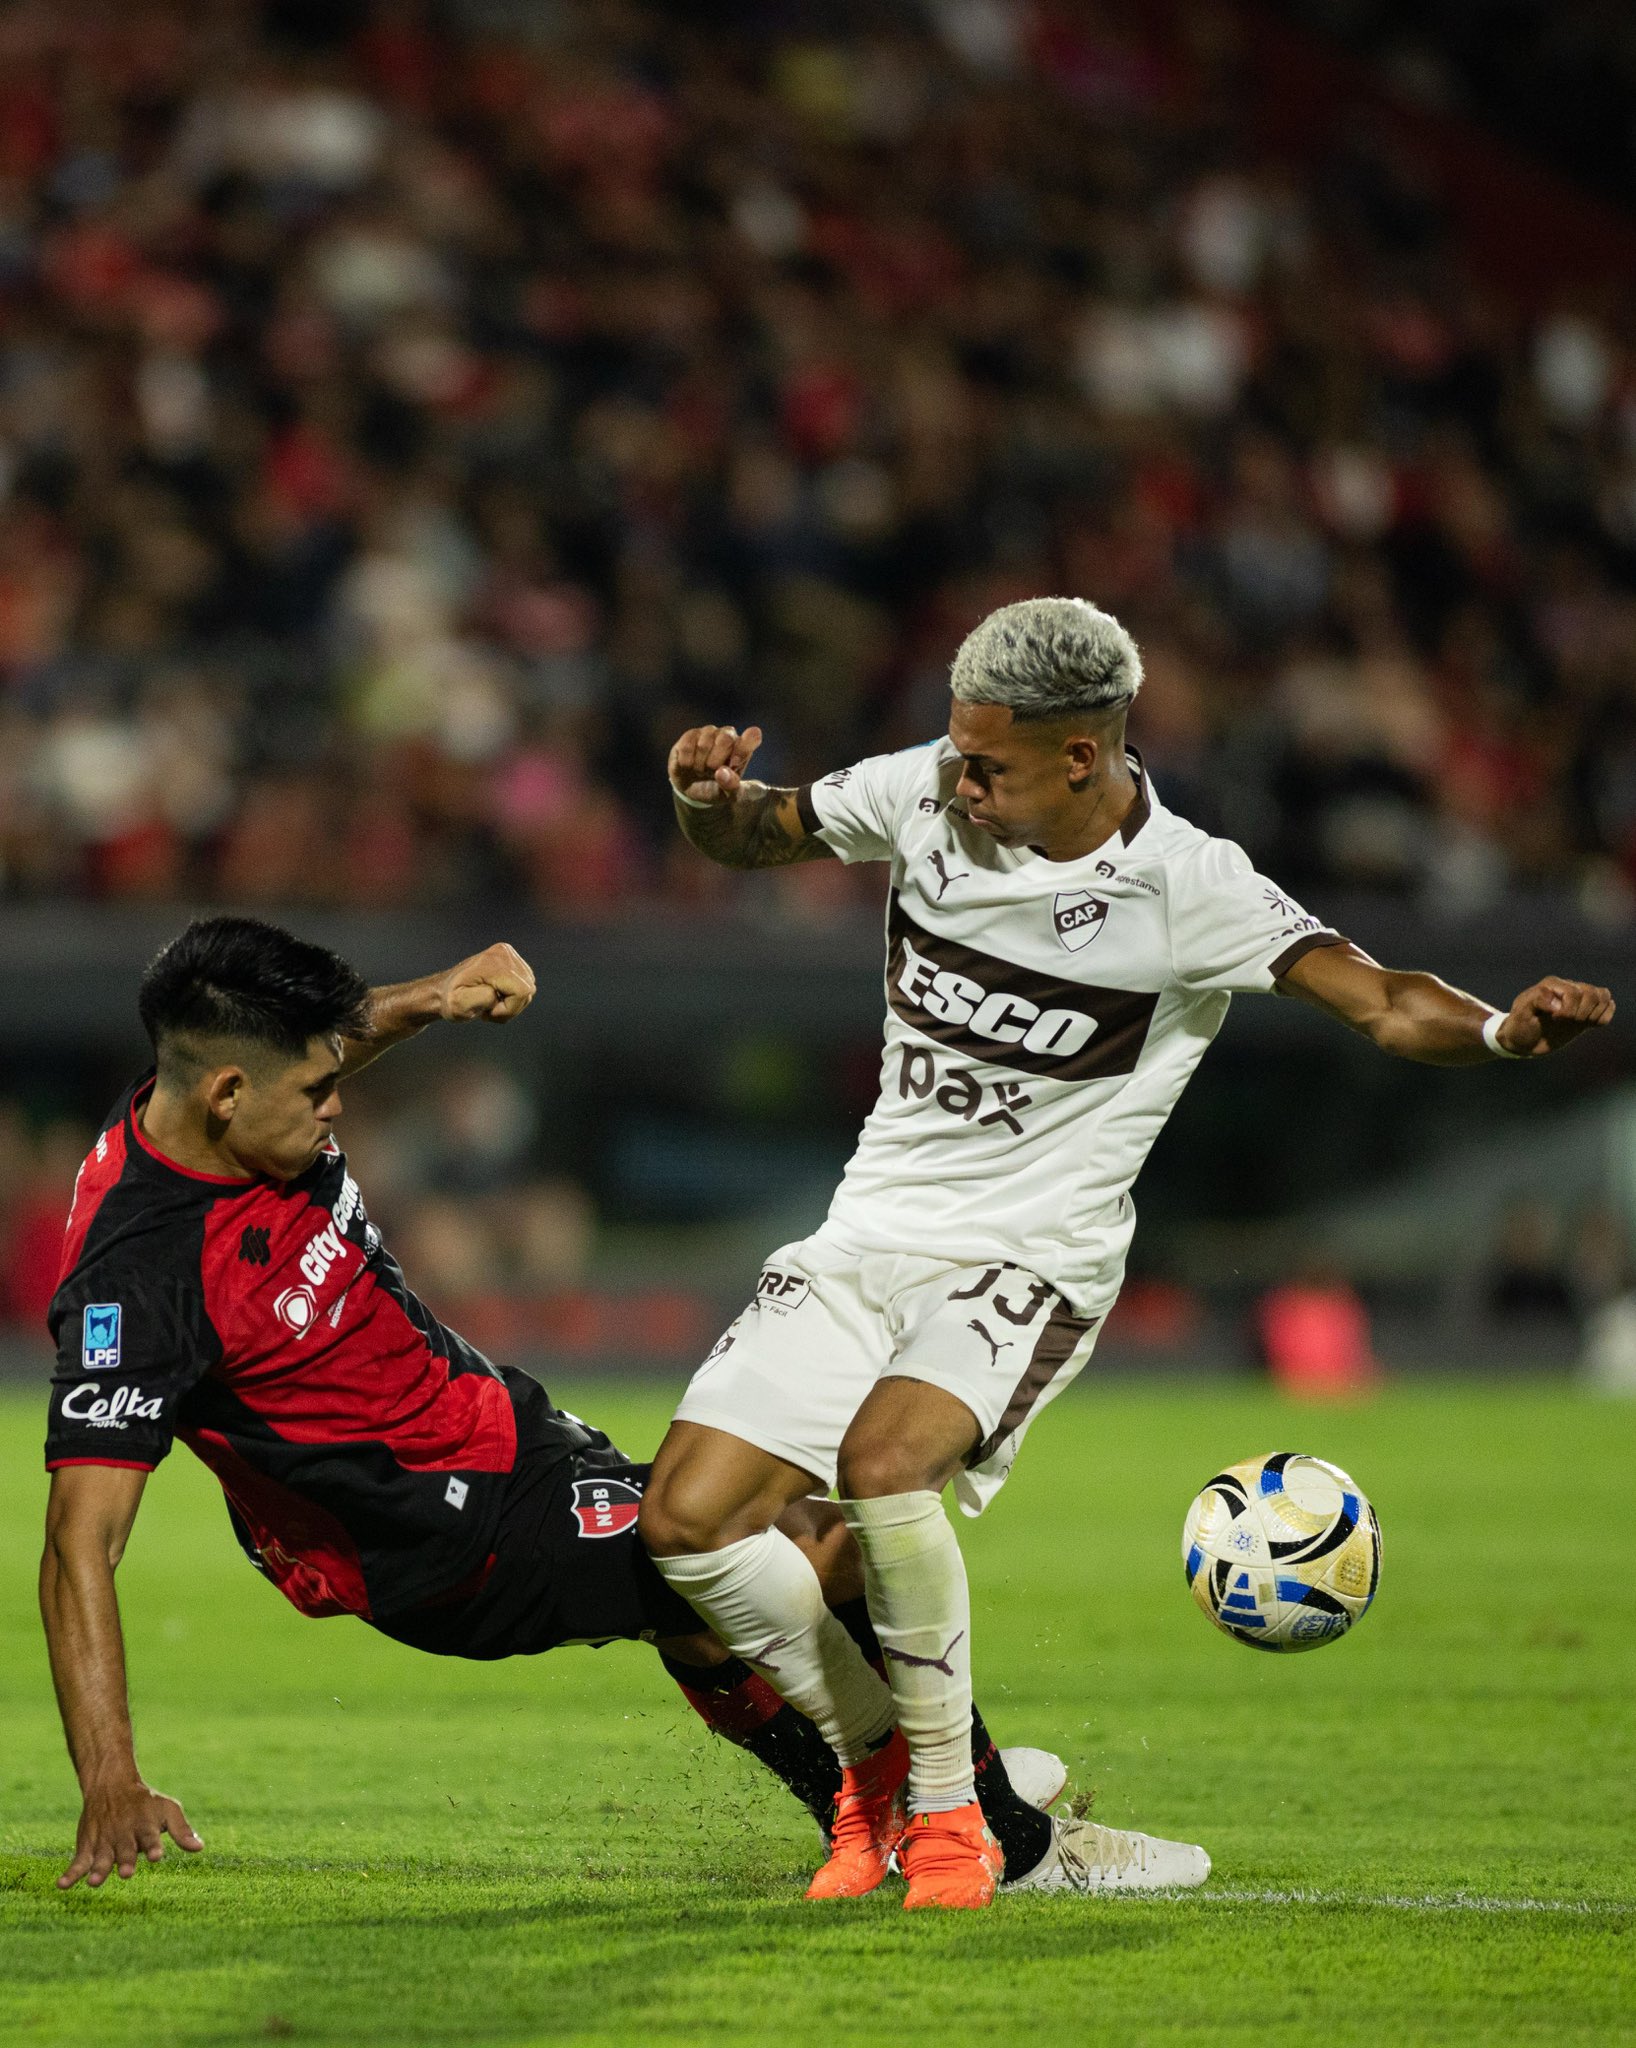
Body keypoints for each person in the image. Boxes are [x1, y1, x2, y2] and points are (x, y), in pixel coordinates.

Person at [637, 595, 1617, 1911]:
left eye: (988, 764)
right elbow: (759, 831)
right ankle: (895, 1772)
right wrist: (704, 799)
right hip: (870, 1230)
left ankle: (953, 1819)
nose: (958, 780)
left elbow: (1384, 1000)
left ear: (1080, 756)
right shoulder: (923, 789)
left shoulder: (1187, 885)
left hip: (1028, 1260)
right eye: (954, 750)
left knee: (882, 1470)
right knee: (688, 1523)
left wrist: (1501, 1032)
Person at [40, 917, 1069, 1893]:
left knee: (696, 1604)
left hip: (497, 1430)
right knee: (794, 1543)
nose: (337, 1105)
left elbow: (318, 1044)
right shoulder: (140, 1282)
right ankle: (993, 1826)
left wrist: (433, 996)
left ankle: (868, 1813)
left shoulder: (214, 1099)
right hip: (443, 1536)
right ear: (227, 1092)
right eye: (318, 1088)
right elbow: (80, 1542)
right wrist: (110, 1777)